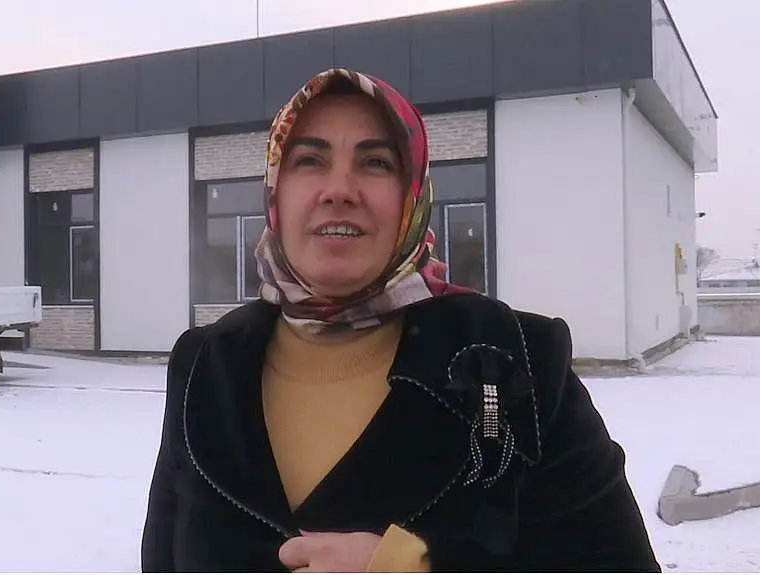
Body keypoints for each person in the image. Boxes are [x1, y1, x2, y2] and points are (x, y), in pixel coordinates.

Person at [141, 68, 660, 572]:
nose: (339, 189)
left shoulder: (516, 359)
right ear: (275, 189)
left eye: (375, 163)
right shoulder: (204, 364)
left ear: (413, 193)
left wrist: (412, 567)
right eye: (309, 160)